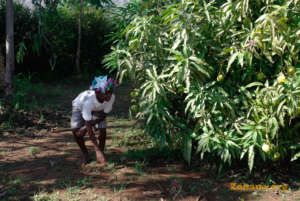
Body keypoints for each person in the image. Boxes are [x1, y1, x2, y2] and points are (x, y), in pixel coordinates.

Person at [71, 75, 117, 165]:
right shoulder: (88, 101)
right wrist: (86, 126)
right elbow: (88, 124)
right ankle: (86, 155)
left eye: (111, 92)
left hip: (98, 109)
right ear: (97, 92)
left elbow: (103, 115)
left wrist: (89, 125)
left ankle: (101, 152)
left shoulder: (111, 98)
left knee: (102, 129)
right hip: (79, 107)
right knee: (76, 131)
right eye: (107, 93)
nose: (109, 95)